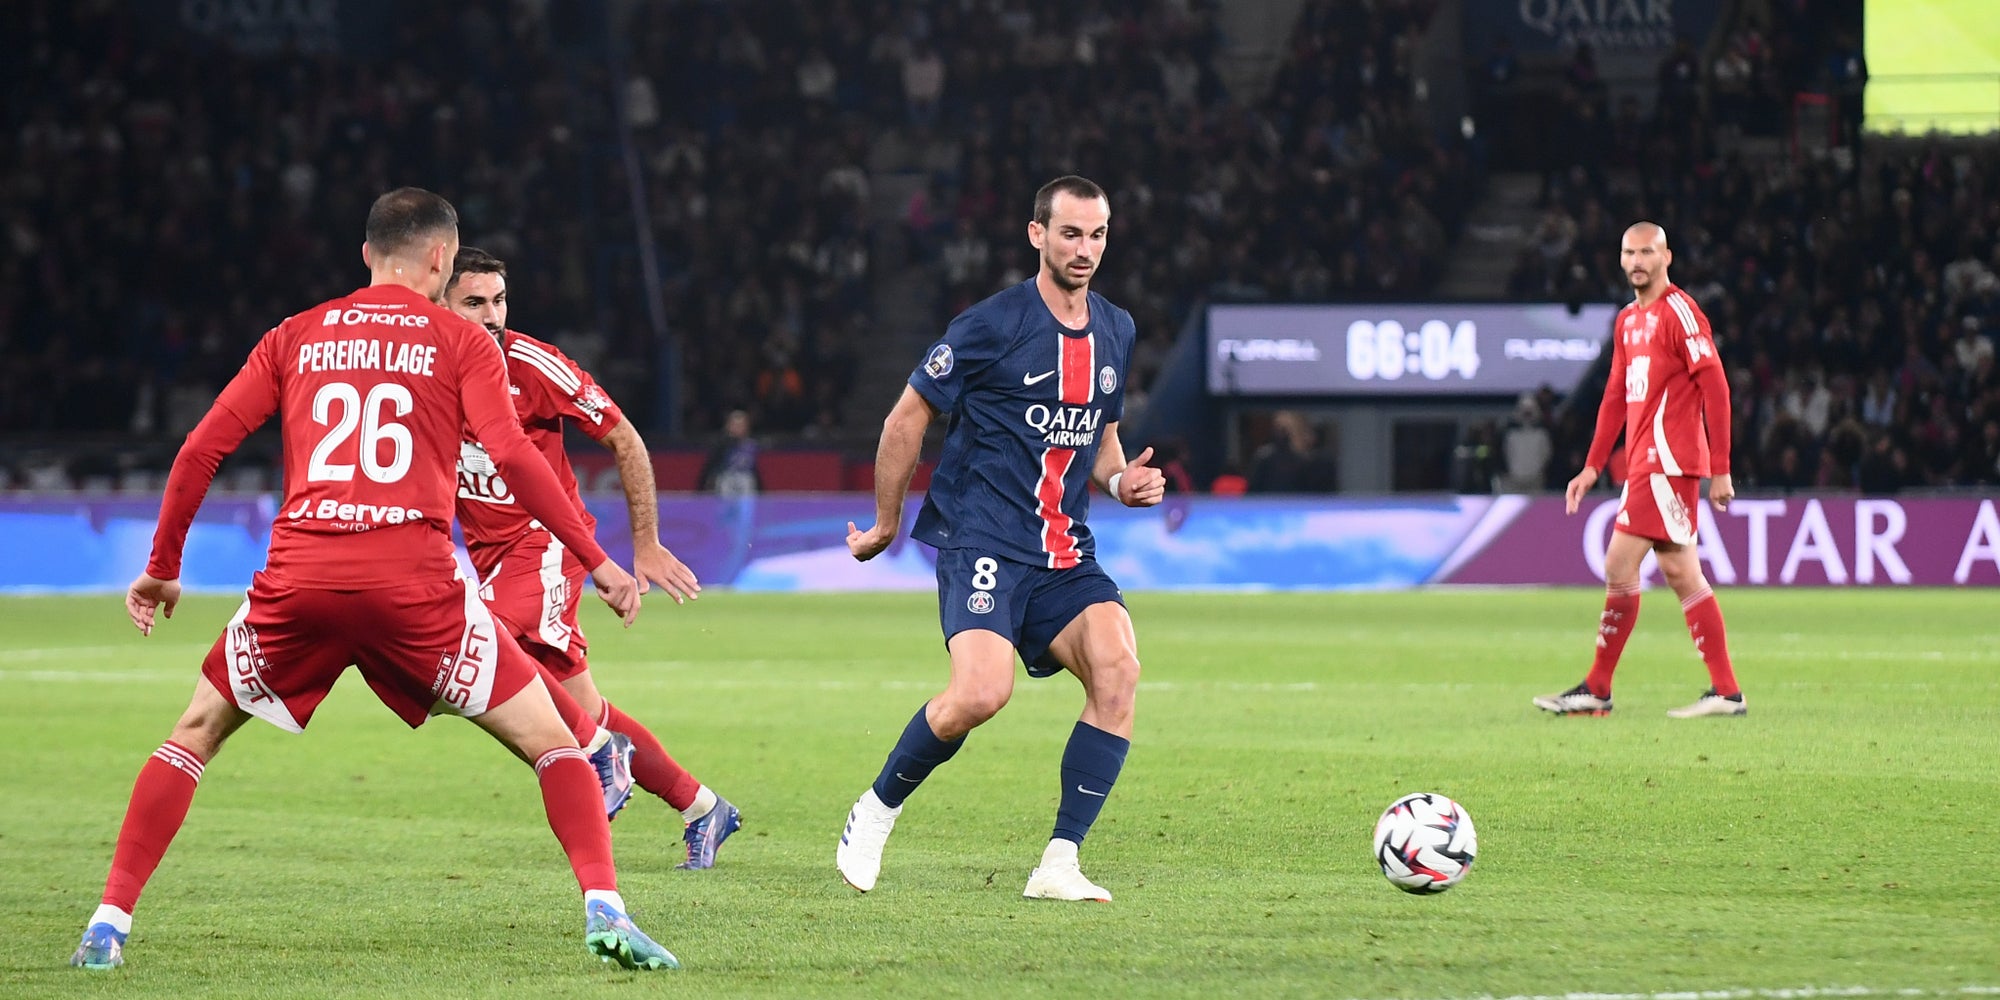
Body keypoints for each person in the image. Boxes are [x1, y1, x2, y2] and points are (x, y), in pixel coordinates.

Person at [70, 188, 678, 971]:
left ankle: (108, 924)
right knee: (557, 745)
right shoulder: (458, 341)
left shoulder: (294, 335)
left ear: (366, 255)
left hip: (299, 580)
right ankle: (606, 909)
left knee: (191, 737)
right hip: (413, 587)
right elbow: (518, 458)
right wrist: (598, 562)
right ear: (441, 259)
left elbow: (198, 452)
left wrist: (160, 570)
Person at [837, 175, 1166, 902]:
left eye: (1098, 234)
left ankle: (1059, 863)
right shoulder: (992, 324)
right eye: (1071, 233)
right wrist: (887, 524)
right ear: (1037, 235)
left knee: (1119, 670)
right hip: (983, 537)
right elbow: (905, 420)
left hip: (1063, 551)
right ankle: (878, 807)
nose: (1085, 249)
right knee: (982, 694)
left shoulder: (1116, 329)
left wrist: (1121, 485)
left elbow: (1104, 444)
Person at [446, 246, 741, 868]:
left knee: (474, 643)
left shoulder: (533, 366)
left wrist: (644, 543)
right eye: (475, 302)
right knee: (583, 708)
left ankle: (600, 755)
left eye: (499, 300)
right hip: (490, 559)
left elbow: (623, 436)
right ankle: (702, 807)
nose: (493, 315)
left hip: (548, 545)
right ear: (439, 304)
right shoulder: (424, 375)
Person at [1534, 222, 1744, 720]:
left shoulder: (1681, 313)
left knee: (1620, 564)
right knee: (1678, 570)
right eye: (1629, 252)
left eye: (1647, 252)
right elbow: (1614, 396)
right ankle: (1725, 692)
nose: (1637, 262)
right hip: (1644, 462)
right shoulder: (1628, 320)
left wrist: (1721, 468)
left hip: (1669, 462)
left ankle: (1598, 689)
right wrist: (1590, 466)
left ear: (1667, 256)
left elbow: (1715, 387)